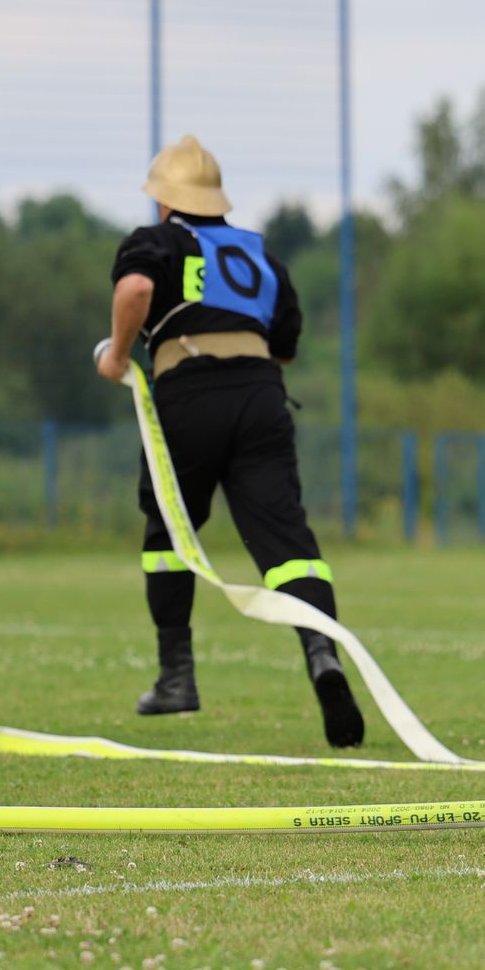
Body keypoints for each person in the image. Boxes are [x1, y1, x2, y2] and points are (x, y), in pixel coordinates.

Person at [95, 133, 363, 748]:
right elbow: (286, 346)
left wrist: (115, 355)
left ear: (165, 202)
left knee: (169, 533)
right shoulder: (261, 256)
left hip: (189, 395)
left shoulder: (156, 241)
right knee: (288, 543)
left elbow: (135, 291)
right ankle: (322, 652)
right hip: (262, 398)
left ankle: (176, 680)